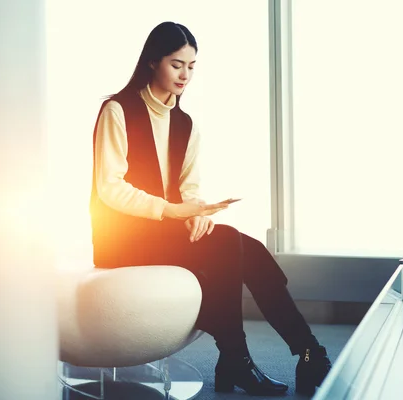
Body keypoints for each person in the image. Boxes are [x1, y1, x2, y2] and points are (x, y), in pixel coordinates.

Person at [89, 21, 332, 396]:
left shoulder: (186, 124)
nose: (185, 74)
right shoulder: (117, 111)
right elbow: (110, 188)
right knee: (229, 243)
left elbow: (189, 189)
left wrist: (197, 213)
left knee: (247, 248)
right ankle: (250, 357)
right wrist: (173, 212)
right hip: (123, 238)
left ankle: (301, 353)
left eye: (192, 65)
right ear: (152, 62)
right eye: (176, 64)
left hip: (167, 229)